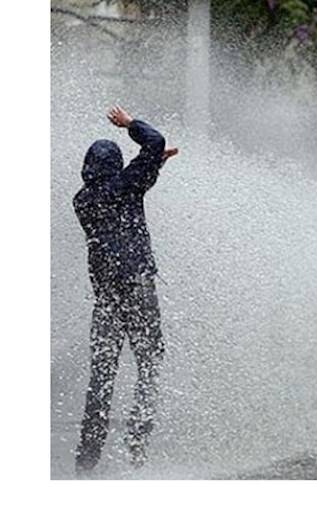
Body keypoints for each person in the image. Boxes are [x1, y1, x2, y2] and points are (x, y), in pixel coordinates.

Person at [73, 106, 178, 474]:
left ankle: (86, 463)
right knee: (148, 366)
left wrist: (153, 166)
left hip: (107, 300)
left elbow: (131, 187)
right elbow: (155, 142)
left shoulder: (82, 201)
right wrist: (130, 124)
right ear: (117, 165)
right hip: (138, 289)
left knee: (101, 378)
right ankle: (137, 449)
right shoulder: (125, 186)